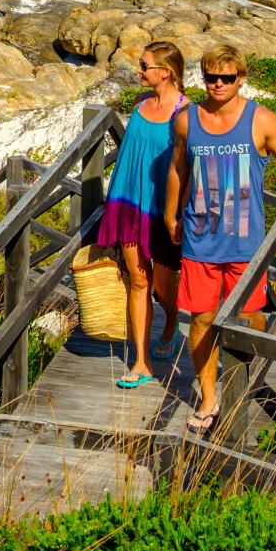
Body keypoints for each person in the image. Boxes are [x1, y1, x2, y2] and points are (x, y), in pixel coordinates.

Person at [163, 44, 276, 437]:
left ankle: (243, 379)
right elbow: (177, 169)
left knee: (250, 320)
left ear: (241, 78)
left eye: (227, 78)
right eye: (211, 77)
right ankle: (210, 397)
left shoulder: (261, 120)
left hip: (246, 246)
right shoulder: (187, 120)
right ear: (202, 78)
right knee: (202, 320)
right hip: (200, 240)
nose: (219, 85)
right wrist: (170, 214)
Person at [98, 40, 191, 390]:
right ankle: (142, 361)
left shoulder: (185, 112)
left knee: (165, 288)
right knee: (138, 281)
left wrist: (178, 212)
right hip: (128, 202)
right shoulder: (139, 103)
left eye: (144, 65)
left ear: (165, 72)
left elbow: (187, 166)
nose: (139, 70)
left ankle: (170, 320)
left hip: (162, 210)